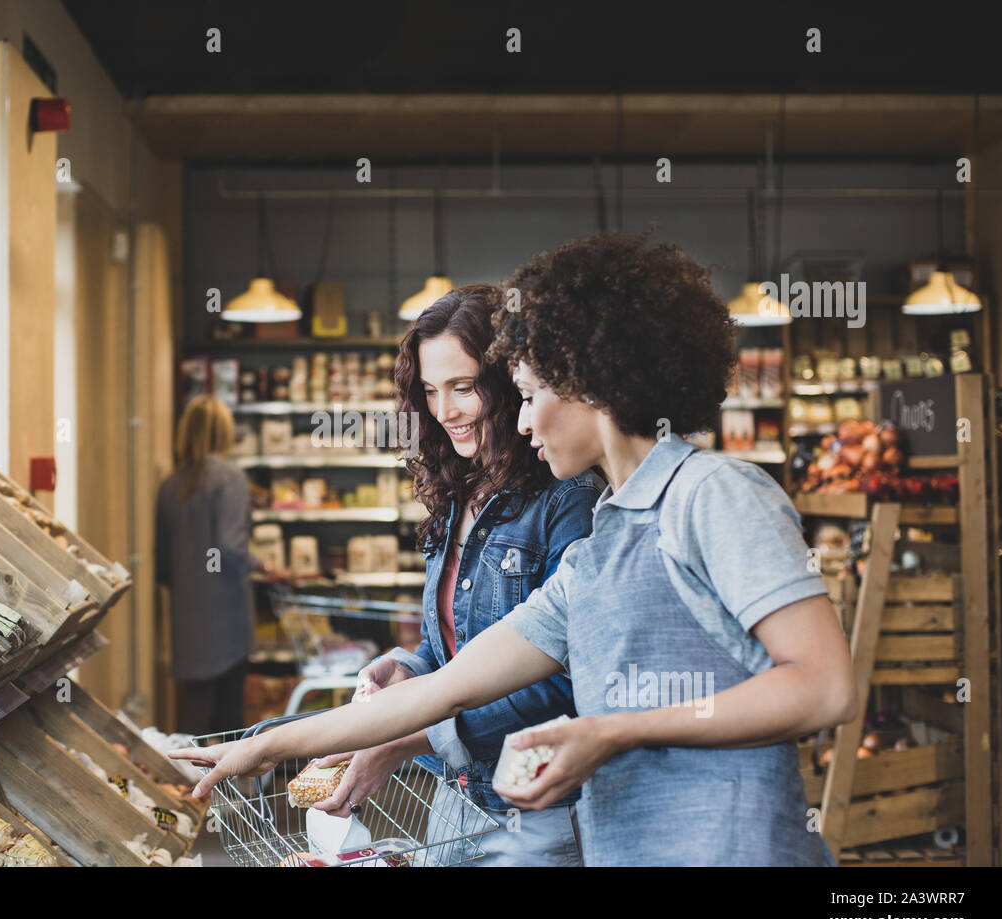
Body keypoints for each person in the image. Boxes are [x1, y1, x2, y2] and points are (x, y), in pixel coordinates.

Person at [171, 233, 857, 866]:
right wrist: (262, 746)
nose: (521, 420)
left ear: (589, 379)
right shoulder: (600, 548)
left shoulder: (716, 493)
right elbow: (440, 691)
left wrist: (615, 731)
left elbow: (823, 685)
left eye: (527, 395)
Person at [309, 284, 601, 866]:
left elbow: (564, 683)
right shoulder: (456, 490)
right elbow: (459, 654)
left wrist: (405, 736)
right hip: (459, 799)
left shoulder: (569, 499)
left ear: (506, 382)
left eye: (463, 388)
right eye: (431, 391)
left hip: (542, 810)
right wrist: (409, 669)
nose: (445, 413)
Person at [156, 394, 256, 735]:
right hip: (224, 612)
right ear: (222, 433)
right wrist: (265, 568)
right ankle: (228, 785)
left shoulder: (171, 485)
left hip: (186, 614)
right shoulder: (230, 478)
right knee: (229, 712)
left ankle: (184, 783)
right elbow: (232, 545)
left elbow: (163, 565)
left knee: (194, 708)